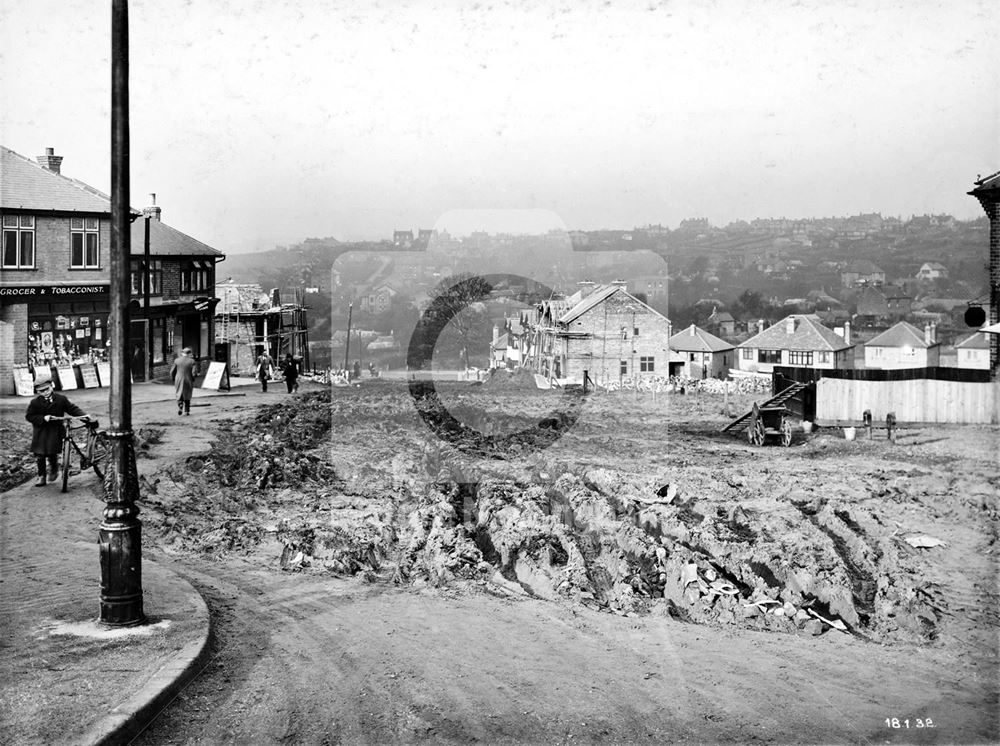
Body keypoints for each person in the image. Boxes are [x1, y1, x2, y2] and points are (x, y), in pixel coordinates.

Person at [25, 379, 90, 487]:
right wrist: (42, 418)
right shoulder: (35, 402)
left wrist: (84, 416)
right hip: (41, 431)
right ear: (38, 392)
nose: (45, 392)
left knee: (52, 451)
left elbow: (72, 409)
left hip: (56, 429)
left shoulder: (61, 399)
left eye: (47, 389)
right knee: (40, 454)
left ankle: (54, 469)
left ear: (52, 386)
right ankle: (41, 476)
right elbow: (29, 416)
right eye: (41, 391)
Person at [170, 347, 199, 415]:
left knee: (179, 392)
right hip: (188, 379)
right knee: (187, 393)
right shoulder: (192, 361)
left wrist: (173, 378)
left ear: (182, 353)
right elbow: (194, 372)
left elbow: (172, 371)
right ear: (189, 354)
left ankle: (180, 404)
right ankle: (186, 410)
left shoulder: (177, 360)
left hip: (178, 379)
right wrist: (193, 378)